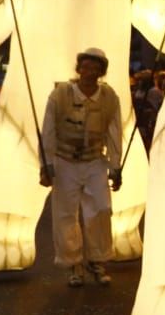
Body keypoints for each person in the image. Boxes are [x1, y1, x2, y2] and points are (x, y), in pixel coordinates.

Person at [39, 47, 125, 287]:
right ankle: (73, 263)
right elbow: (48, 131)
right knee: (65, 213)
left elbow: (115, 133)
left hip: (95, 161)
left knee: (100, 209)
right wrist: (46, 165)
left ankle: (96, 261)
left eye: (95, 68)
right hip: (65, 162)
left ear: (101, 72)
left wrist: (115, 167)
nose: (90, 72)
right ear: (79, 69)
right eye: (86, 67)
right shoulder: (60, 95)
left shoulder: (109, 98)